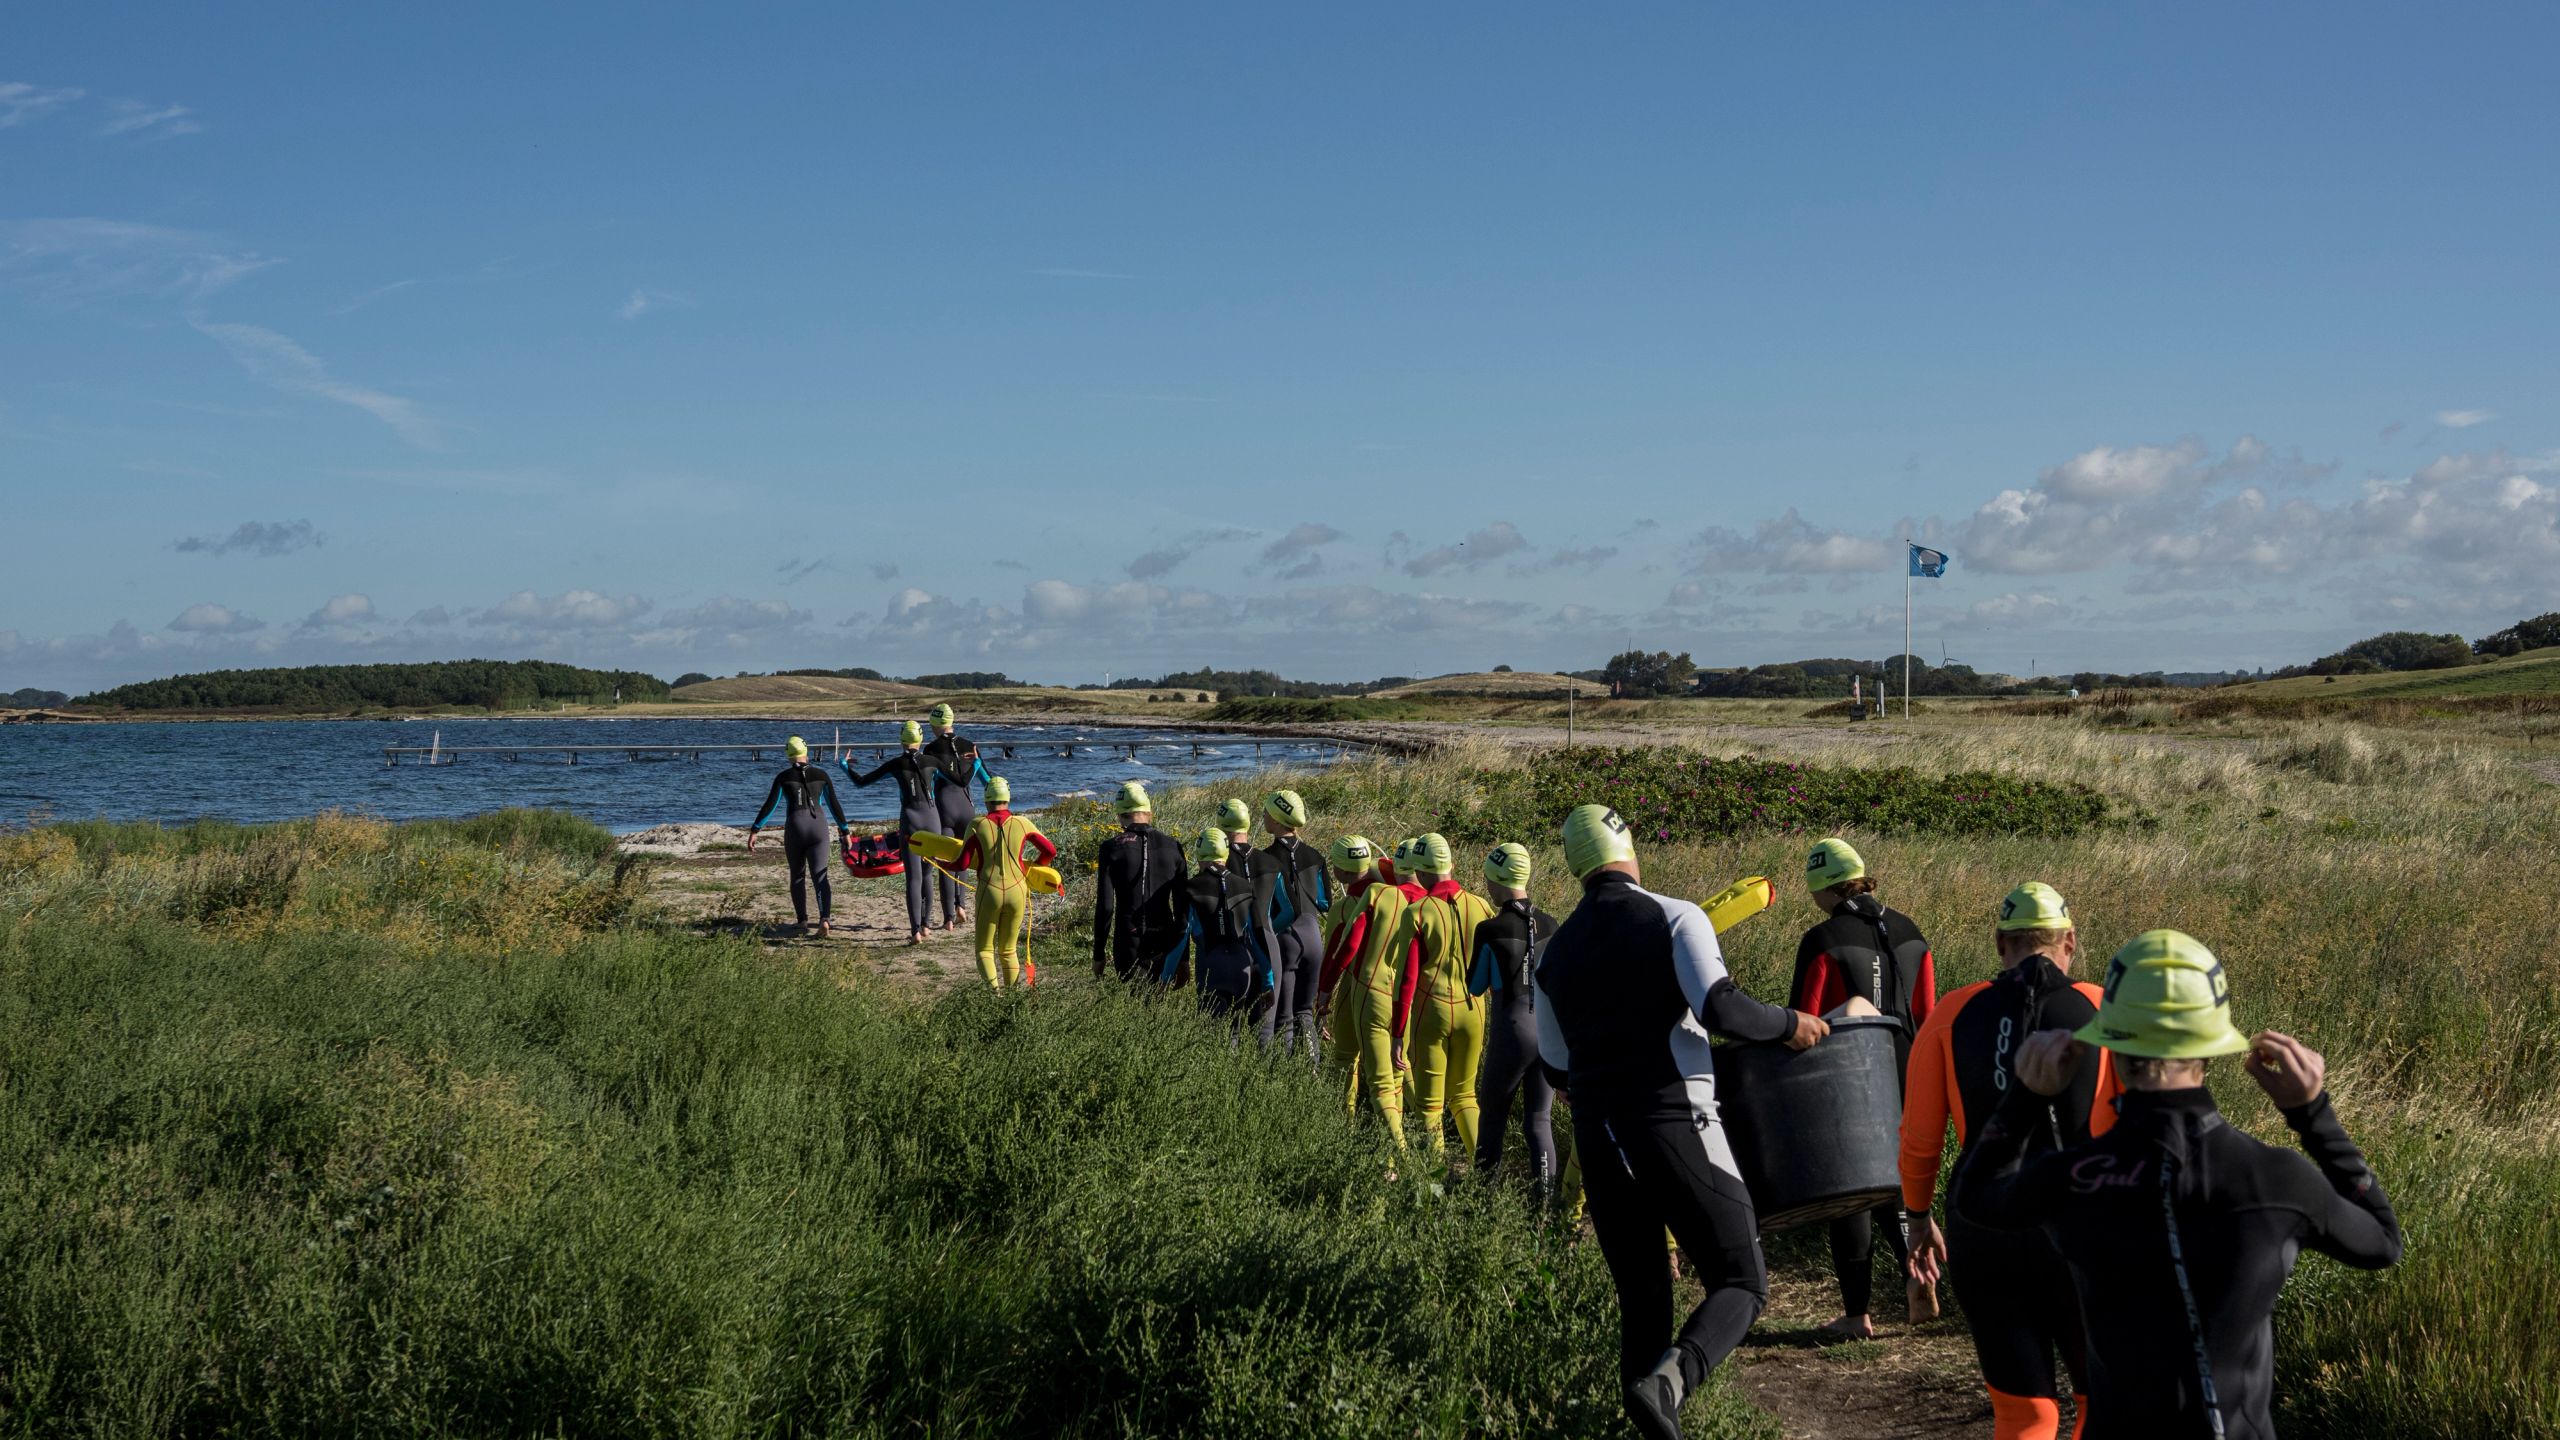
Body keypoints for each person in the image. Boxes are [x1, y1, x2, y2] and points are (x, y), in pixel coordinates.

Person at [1953, 930, 2402, 1439]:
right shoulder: (2279, 1179)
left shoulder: (2074, 1178)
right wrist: (2313, 1115)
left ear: (2112, 1047)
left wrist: (2027, 1098)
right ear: (2211, 1048)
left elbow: (1976, 1197)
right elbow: (2383, 1242)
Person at [1535, 804, 1829, 1440]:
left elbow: (1555, 1066)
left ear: (1575, 865)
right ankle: (1674, 1381)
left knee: (1643, 1299)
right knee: (1742, 1282)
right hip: (1672, 1121)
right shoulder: (1675, 915)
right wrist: (1789, 1023)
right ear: (1628, 851)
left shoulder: (1553, 956)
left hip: (1597, 1132)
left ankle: (1647, 1415)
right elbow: (1719, 1006)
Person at [1900, 882, 2119, 1440]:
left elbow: (1920, 1138)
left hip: (1982, 1227)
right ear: (2069, 941)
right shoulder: (2105, 1009)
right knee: (2103, 1403)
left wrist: (1918, 1219)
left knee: (2026, 1415)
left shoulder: (1953, 1012)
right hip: (2083, 1230)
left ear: (2001, 945)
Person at [1789, 836, 1938, 1338]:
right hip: (1907, 1068)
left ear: (1820, 888)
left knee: (1850, 1187)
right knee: (1898, 1181)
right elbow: (1928, 1015)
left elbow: (1803, 1020)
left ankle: (1857, 1314)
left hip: (1848, 1071)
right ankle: (1917, 1278)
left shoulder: (1823, 940)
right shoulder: (1911, 930)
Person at [1386, 832, 1493, 1157]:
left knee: (1431, 1104)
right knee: (1465, 1097)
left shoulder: (1417, 912)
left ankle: (1434, 1188)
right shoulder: (1482, 906)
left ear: (1418, 870)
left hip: (1430, 1011)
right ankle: (1485, 1178)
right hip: (1474, 1010)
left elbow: (1408, 977)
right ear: (1451, 865)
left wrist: (1397, 1032)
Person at [1469, 841, 1558, 1192]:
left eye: (1488, 880)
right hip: (1548, 1032)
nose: (1487, 887)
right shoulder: (1551, 923)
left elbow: (1475, 985)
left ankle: (1481, 1199)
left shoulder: (1490, 929)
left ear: (1497, 879)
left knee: (1492, 1118)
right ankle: (1546, 1205)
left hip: (1512, 1027)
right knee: (1539, 1120)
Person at [1348, 838, 1428, 1143]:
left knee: (1380, 1081)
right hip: (1417, 998)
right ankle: (1432, 1141)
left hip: (1374, 990)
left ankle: (1402, 1159)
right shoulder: (1432, 902)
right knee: (1401, 1069)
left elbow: (1349, 947)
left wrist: (1325, 990)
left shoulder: (1379, 895)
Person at [844, 721, 946, 946]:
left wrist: (845, 766)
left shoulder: (895, 764)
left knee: (913, 878)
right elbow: (958, 780)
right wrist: (974, 761)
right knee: (928, 874)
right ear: (920, 739)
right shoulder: (932, 761)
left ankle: (915, 932)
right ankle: (927, 925)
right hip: (932, 819)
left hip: (910, 820)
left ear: (901, 740)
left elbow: (861, 782)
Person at [952, 774, 1055, 988]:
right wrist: (1035, 867)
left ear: (986, 800)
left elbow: (962, 864)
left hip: (989, 891)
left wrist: (942, 863)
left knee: (984, 950)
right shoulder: (1023, 823)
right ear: (1008, 799)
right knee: (1008, 950)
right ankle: (1012, 998)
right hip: (1018, 890)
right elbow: (1050, 851)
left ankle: (994, 996)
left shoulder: (976, 824)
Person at [1175, 827, 1280, 1034]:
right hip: (1242, 969)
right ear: (1225, 853)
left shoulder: (1191, 888)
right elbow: (1258, 935)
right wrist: (1268, 982)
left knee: (1210, 1038)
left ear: (1199, 855)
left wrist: (1167, 975)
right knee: (1234, 1034)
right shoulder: (1245, 886)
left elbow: (1181, 935)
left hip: (1211, 968)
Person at [745, 736, 849, 938]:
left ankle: (802, 920)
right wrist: (845, 831)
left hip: (795, 827)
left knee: (797, 875)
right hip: (818, 826)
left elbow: (770, 805)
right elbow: (835, 805)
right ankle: (824, 919)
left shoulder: (783, 777)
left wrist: (755, 830)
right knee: (820, 876)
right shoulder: (821, 774)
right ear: (806, 751)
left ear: (788, 755)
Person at [1258, 789, 1332, 1063]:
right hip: (1313, 937)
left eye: (1266, 812)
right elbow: (1325, 902)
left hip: (1285, 938)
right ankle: (1312, 1072)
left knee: (1285, 1016)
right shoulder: (1316, 856)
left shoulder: (1264, 858)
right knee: (1305, 1013)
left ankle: (1282, 1075)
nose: (1263, 816)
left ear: (1277, 819)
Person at [1090, 779, 1187, 984]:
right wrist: (1183, 958)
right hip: (1165, 937)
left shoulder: (1111, 848)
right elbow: (1182, 910)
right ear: (1149, 812)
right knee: (1159, 1004)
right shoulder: (1173, 846)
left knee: (1133, 1002)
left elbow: (1106, 907)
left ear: (1120, 815)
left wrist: (1099, 954)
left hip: (1128, 938)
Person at [1312, 835, 1383, 1111]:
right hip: (1393, 984)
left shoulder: (1345, 907)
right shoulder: (1391, 895)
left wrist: (1322, 997)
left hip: (1355, 986)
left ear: (1340, 870)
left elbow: (1333, 957)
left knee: (1345, 1057)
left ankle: (1346, 1117)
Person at [922, 703, 988, 932]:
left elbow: (926, 786)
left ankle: (949, 917)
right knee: (964, 858)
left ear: (934, 724)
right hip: (967, 808)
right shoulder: (970, 745)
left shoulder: (930, 750)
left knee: (945, 862)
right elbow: (987, 780)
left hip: (944, 809)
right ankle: (962, 906)